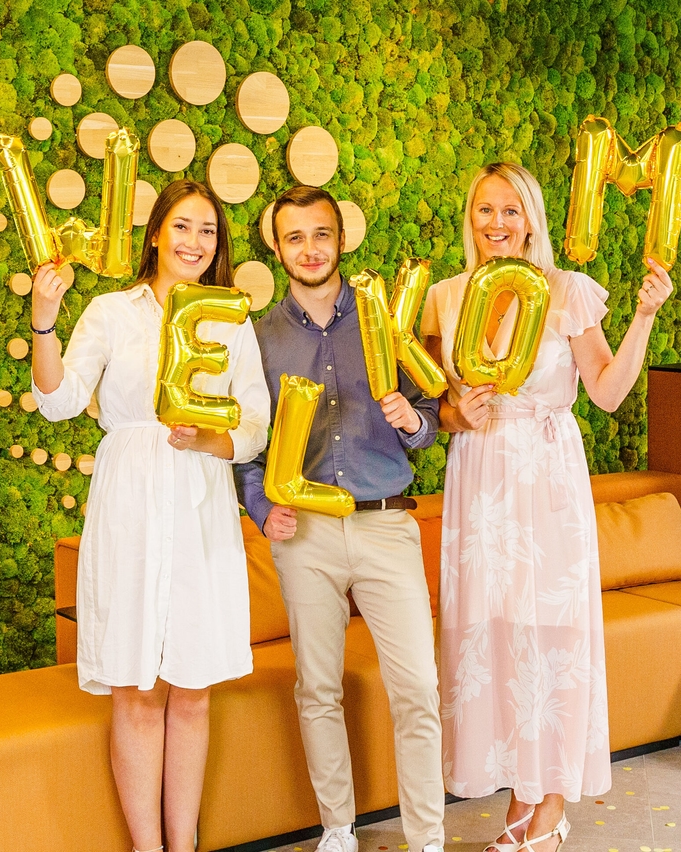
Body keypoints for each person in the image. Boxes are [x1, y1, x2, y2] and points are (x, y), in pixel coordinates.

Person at [419, 163, 674, 852]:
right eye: (484, 210)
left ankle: (552, 802)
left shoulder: (566, 293)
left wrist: (644, 315)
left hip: (547, 477)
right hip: (478, 479)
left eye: (510, 210)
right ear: (468, 218)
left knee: (551, 634)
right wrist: (453, 414)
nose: (497, 223)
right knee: (495, 635)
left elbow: (608, 391)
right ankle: (520, 792)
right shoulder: (444, 298)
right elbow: (432, 411)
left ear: (531, 219)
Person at [31, 180, 271, 852]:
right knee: (138, 688)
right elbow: (58, 400)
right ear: (157, 233)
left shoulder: (230, 321)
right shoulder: (111, 312)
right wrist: (43, 321)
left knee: (191, 689)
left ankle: (184, 845)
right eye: (184, 227)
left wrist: (208, 440)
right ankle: (148, 848)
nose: (195, 242)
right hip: (131, 499)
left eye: (209, 232)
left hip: (200, 498)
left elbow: (254, 425)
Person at [234, 186, 446, 852]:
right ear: (277, 247)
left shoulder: (386, 321)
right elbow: (246, 448)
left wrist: (416, 422)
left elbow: (431, 416)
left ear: (341, 239)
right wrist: (264, 508)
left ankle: (428, 840)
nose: (310, 248)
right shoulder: (257, 340)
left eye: (320, 234)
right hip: (307, 538)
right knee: (317, 689)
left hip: (387, 525)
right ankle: (338, 831)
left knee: (417, 689)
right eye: (294, 237)